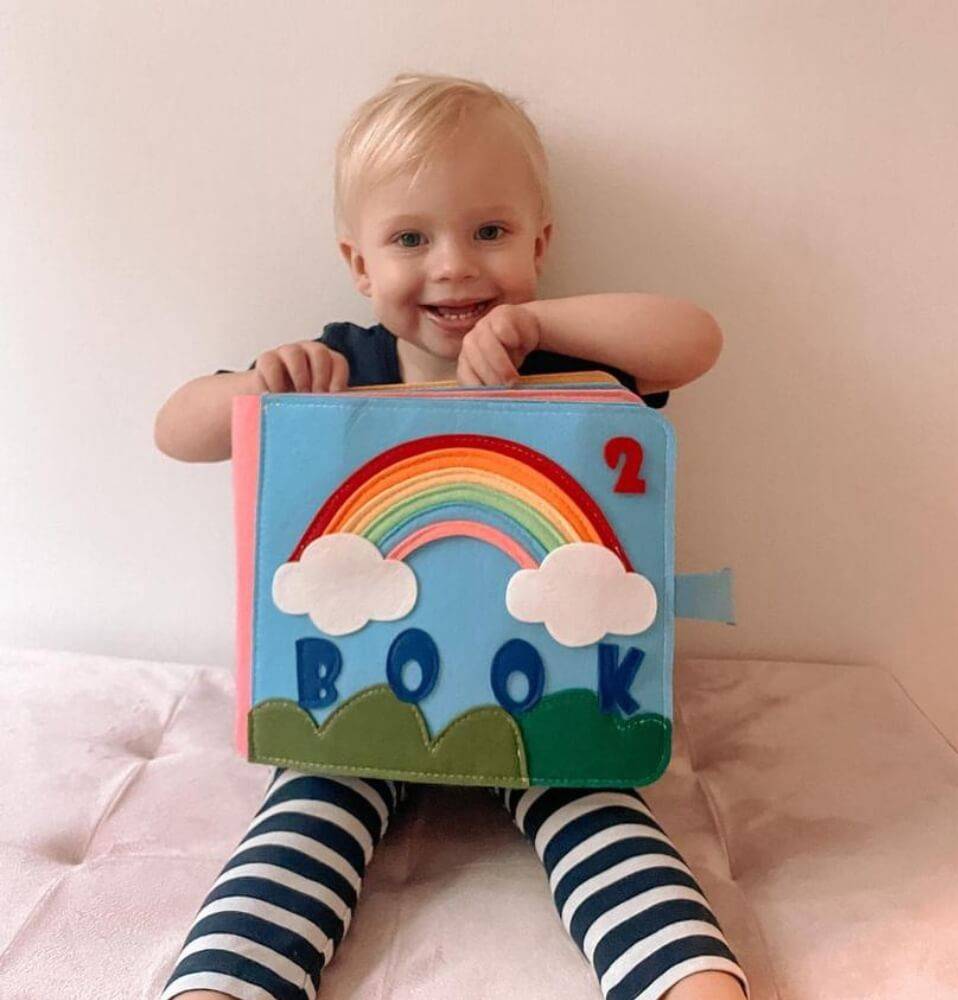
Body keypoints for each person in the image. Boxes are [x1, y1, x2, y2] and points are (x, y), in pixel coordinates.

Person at [154, 72, 748, 1000]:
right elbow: (176, 430)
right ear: (359, 265)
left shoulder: (562, 362)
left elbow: (694, 340)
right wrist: (261, 385)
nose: (454, 266)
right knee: (306, 810)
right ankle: (221, 985)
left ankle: (688, 980)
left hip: (544, 702)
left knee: (599, 809)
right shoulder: (340, 367)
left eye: (490, 232)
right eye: (409, 239)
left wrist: (539, 323)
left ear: (540, 245)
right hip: (361, 705)